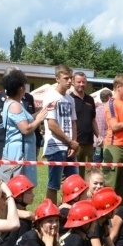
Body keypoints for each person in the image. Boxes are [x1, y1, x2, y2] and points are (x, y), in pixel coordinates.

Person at [0, 69, 53, 186]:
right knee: (19, 187)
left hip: (18, 150)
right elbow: (25, 129)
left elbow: (26, 120)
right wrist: (38, 121)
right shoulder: (15, 106)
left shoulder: (11, 103)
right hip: (19, 153)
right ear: (21, 89)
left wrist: (43, 110)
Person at [42, 65, 79, 203]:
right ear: (57, 78)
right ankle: (50, 210)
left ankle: (68, 211)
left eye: (71, 78)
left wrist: (73, 144)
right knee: (54, 184)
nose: (69, 81)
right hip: (55, 146)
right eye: (66, 78)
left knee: (73, 184)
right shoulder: (51, 97)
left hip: (69, 145)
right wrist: (70, 142)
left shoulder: (70, 99)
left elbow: (74, 122)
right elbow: (52, 124)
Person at [103, 73, 123, 201]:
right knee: (111, 183)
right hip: (114, 146)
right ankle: (106, 215)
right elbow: (114, 126)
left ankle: (119, 215)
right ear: (118, 87)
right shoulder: (111, 103)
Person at [70, 71, 99, 178]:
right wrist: (71, 142)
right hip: (75, 144)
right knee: (74, 174)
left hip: (89, 144)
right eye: (78, 82)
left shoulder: (90, 99)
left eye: (84, 82)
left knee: (88, 175)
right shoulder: (69, 99)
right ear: (73, 82)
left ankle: (86, 195)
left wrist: (98, 136)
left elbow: (93, 120)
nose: (81, 84)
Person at [94, 88, 112, 163]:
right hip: (108, 142)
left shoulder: (96, 110)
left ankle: (94, 174)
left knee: (96, 162)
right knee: (108, 164)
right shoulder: (110, 110)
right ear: (109, 97)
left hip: (97, 141)